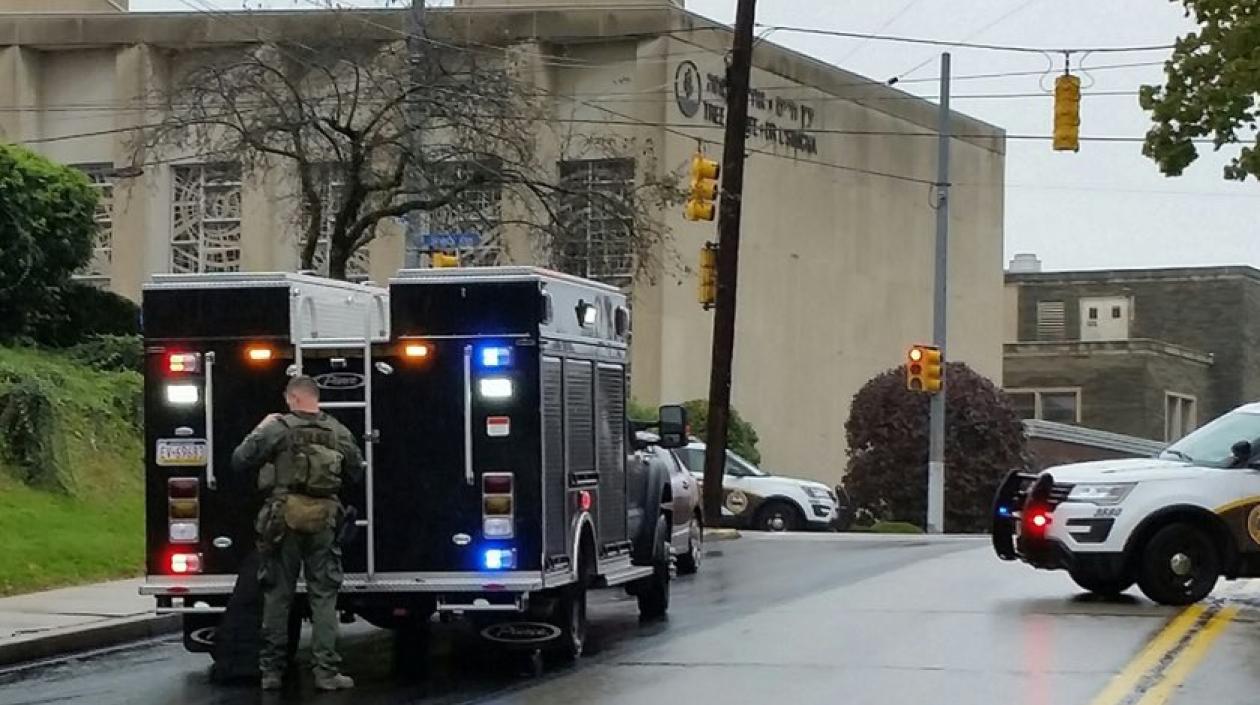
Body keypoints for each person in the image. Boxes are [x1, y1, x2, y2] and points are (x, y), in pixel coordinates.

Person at [231, 375, 364, 691]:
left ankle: (271, 672)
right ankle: (326, 673)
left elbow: (239, 460)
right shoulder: (337, 430)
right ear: (316, 398)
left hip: (284, 520)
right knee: (324, 597)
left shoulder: (278, 428)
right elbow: (356, 470)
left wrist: (261, 428)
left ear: (292, 398)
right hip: (324, 519)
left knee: (278, 595)